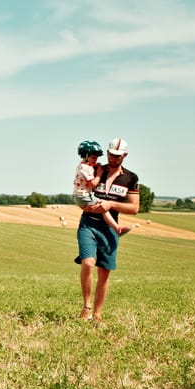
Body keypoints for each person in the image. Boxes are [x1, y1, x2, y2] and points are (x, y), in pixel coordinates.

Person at [74, 137, 140, 322]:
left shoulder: (131, 178)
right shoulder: (96, 168)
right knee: (87, 263)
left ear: (125, 156)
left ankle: (97, 315)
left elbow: (134, 208)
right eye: (111, 154)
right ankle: (86, 307)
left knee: (104, 272)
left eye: (117, 156)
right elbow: (81, 188)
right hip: (88, 223)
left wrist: (110, 204)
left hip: (108, 229)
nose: (113, 158)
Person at [74, 140, 132, 236]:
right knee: (103, 207)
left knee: (101, 207)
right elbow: (92, 184)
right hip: (84, 196)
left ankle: (116, 228)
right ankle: (118, 229)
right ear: (86, 156)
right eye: (93, 158)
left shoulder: (82, 166)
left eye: (96, 158)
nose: (96, 160)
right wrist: (100, 173)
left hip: (80, 196)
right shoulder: (86, 168)